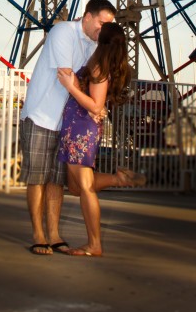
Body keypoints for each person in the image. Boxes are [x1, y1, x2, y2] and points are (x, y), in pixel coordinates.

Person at [19, 0, 117, 255]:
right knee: (37, 178)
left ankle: (54, 234)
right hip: (41, 115)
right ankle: (38, 234)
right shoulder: (63, 31)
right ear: (87, 16)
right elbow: (67, 75)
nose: (103, 29)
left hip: (65, 122)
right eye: (101, 22)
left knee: (55, 182)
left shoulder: (95, 45)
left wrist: (96, 104)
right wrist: (92, 101)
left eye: (109, 25)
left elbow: (83, 82)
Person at [57, 22, 142, 257]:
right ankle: (118, 178)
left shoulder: (98, 68)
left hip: (81, 128)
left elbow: (96, 105)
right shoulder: (100, 63)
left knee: (83, 187)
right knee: (75, 186)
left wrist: (70, 86)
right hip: (77, 126)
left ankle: (94, 244)